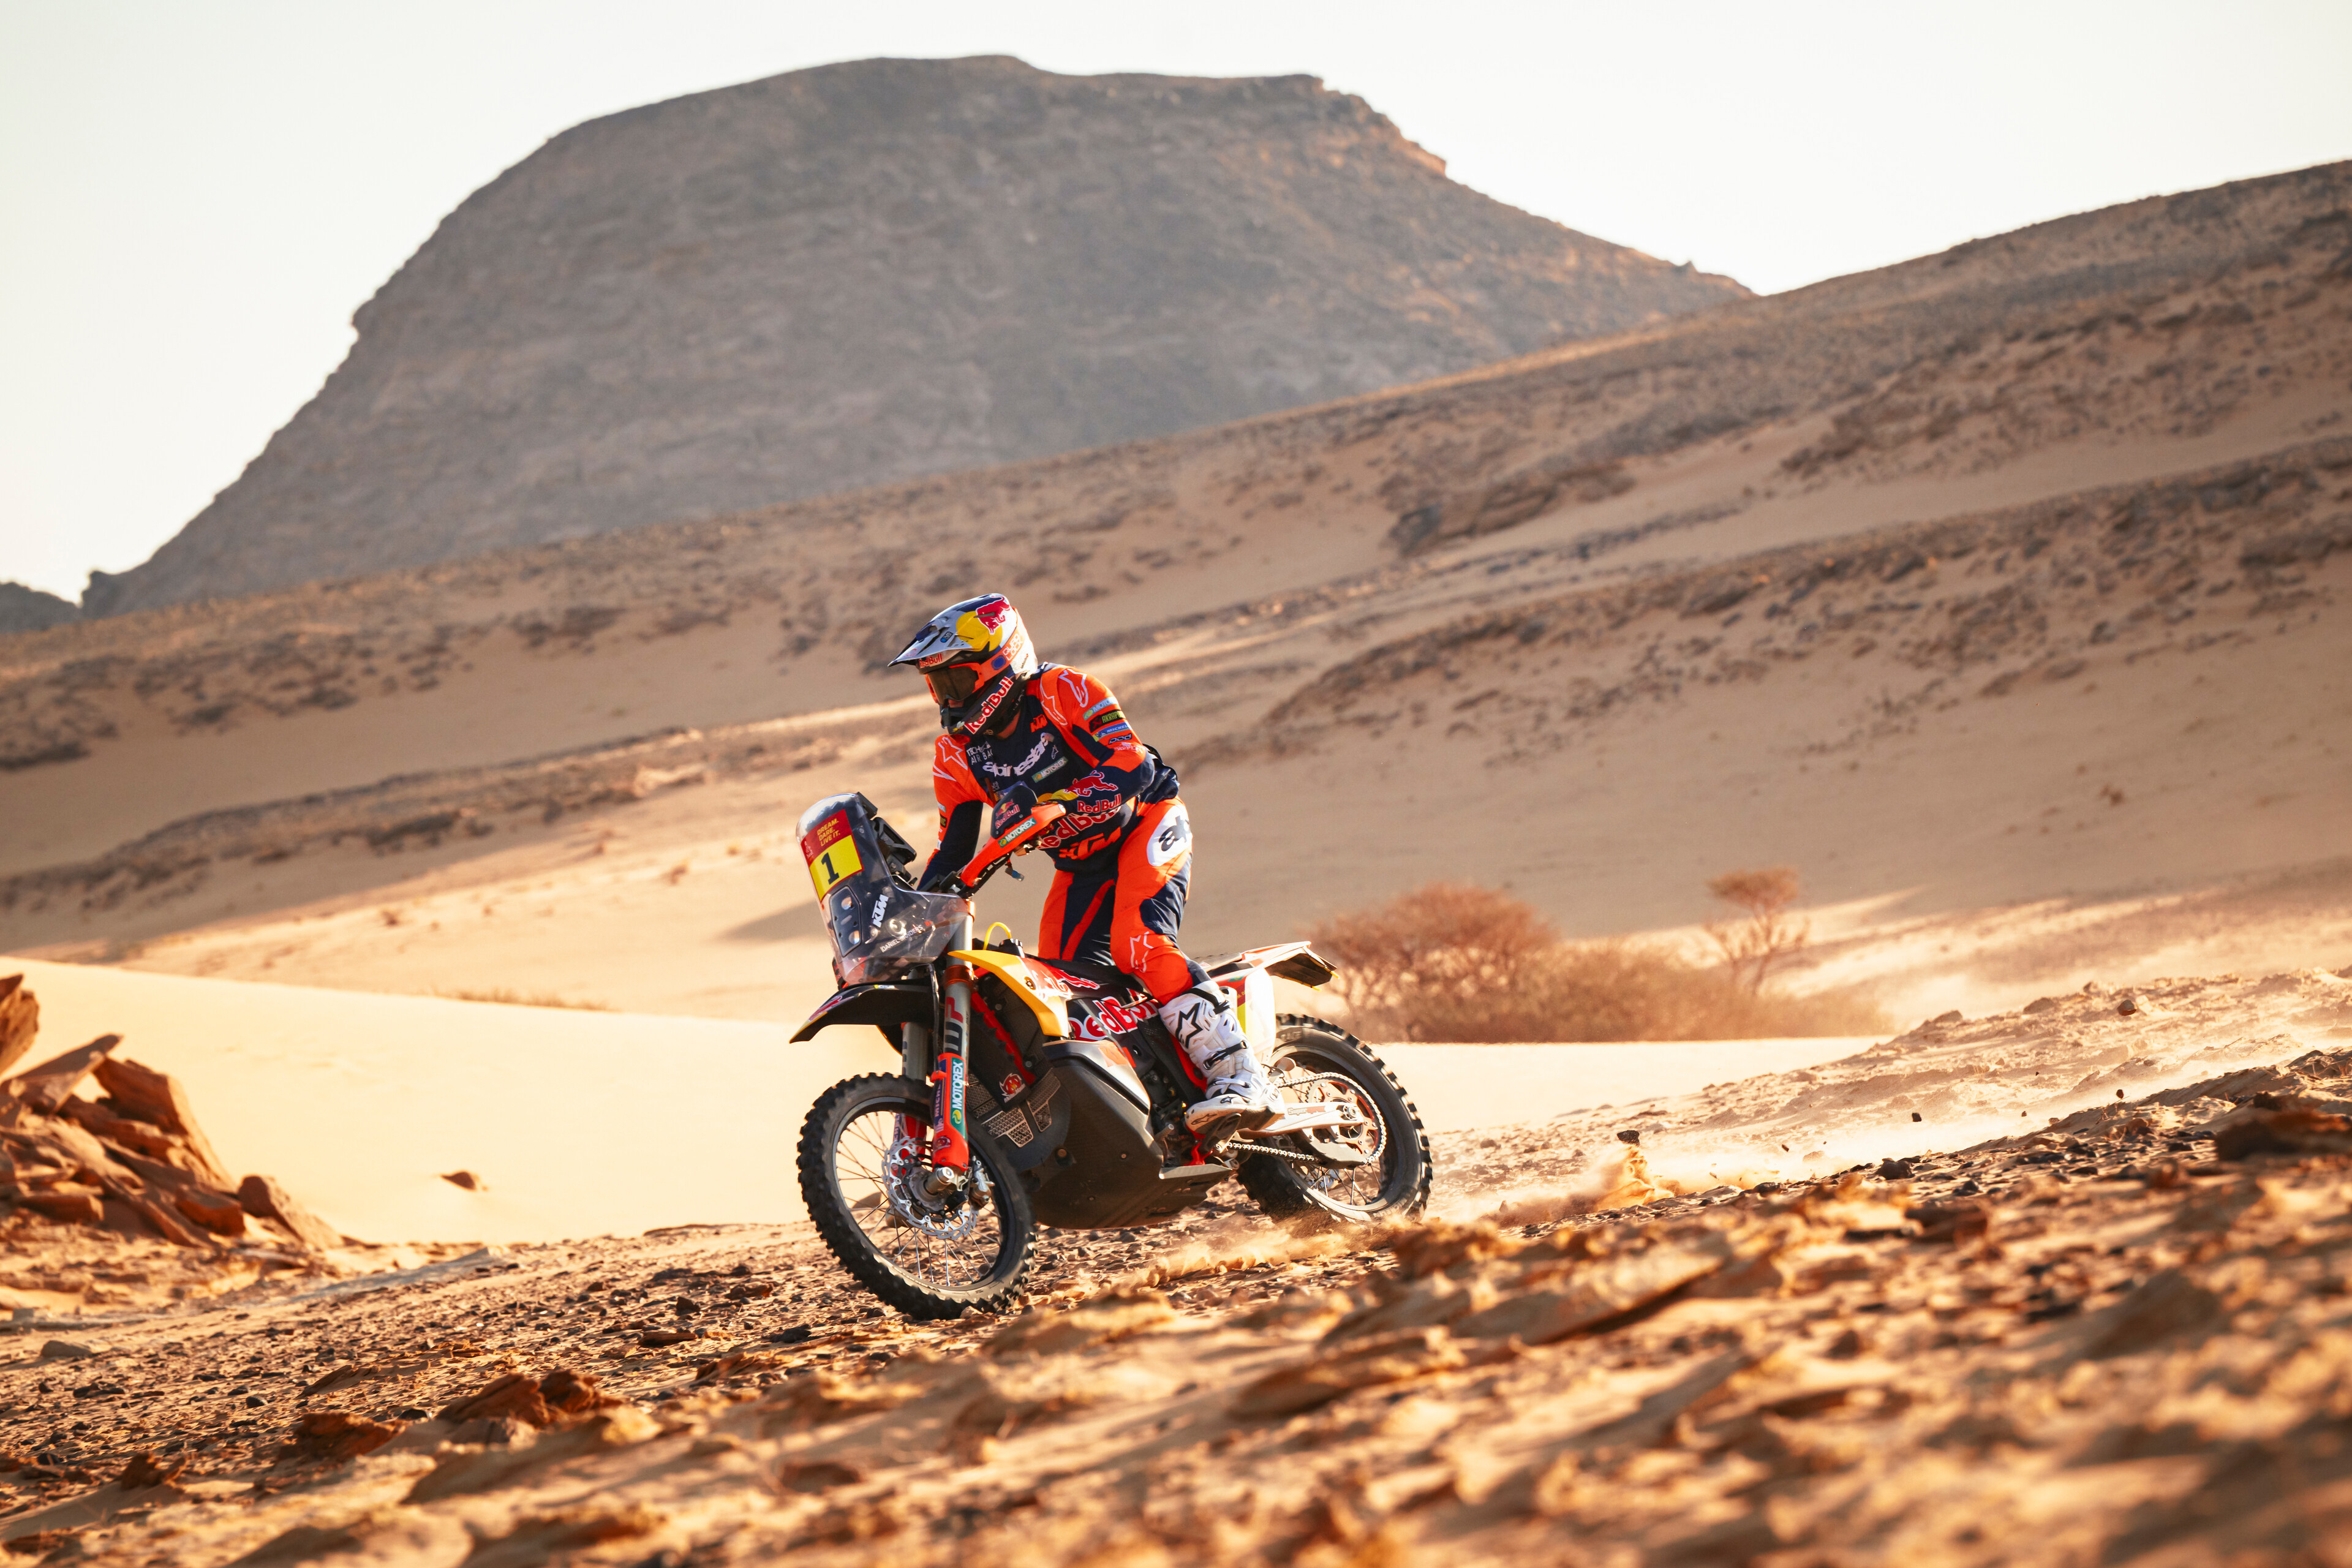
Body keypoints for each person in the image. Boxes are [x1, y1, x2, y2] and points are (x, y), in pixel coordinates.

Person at [891, 593, 1276, 1134]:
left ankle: (1241, 1073)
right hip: (1079, 866)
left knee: (1138, 944)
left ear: (1001, 660)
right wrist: (912, 907)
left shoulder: (1064, 690)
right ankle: (1158, 1091)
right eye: (938, 685)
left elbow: (1133, 765)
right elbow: (953, 851)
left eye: (957, 680)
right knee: (1064, 989)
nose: (947, 697)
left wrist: (1067, 802)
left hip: (1145, 824)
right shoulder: (955, 756)